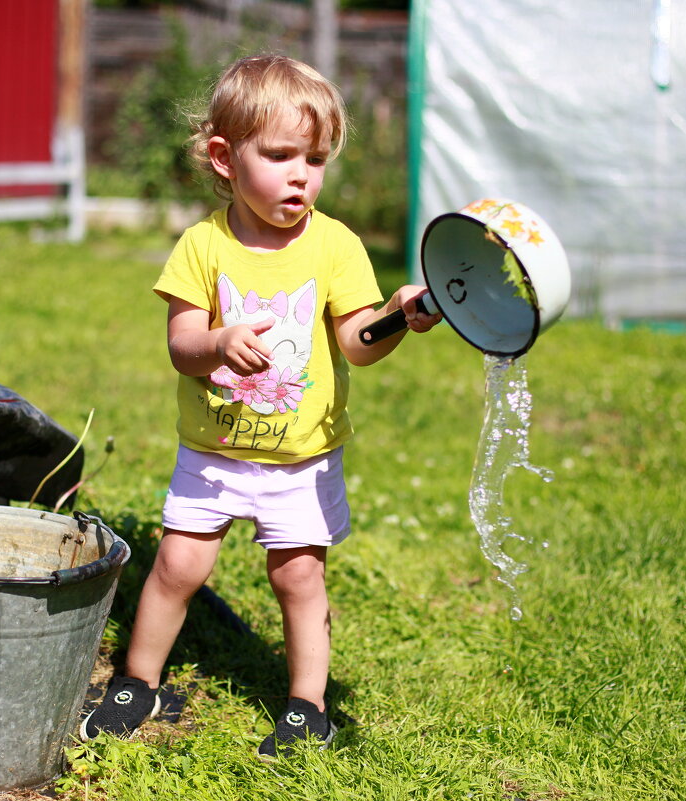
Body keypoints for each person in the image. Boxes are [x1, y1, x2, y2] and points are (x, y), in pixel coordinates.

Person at [80, 53, 441, 758]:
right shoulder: (203, 245)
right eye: (279, 155)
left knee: (297, 574)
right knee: (179, 565)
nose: (300, 173)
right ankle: (139, 680)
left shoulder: (336, 245)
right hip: (213, 450)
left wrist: (397, 315)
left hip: (300, 457)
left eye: (315, 156)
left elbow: (357, 342)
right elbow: (182, 344)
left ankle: (309, 706)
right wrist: (217, 340)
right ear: (225, 157)